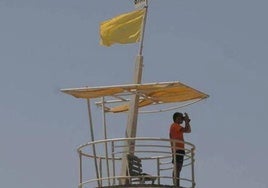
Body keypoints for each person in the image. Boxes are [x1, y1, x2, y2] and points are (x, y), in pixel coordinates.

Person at [169, 112, 191, 187]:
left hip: (179, 149)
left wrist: (186, 121)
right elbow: (187, 129)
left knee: (177, 168)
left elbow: (188, 130)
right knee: (177, 168)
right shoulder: (175, 125)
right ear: (177, 118)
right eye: (181, 117)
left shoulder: (176, 126)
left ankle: (176, 184)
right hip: (178, 149)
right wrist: (186, 121)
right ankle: (176, 185)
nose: (182, 119)